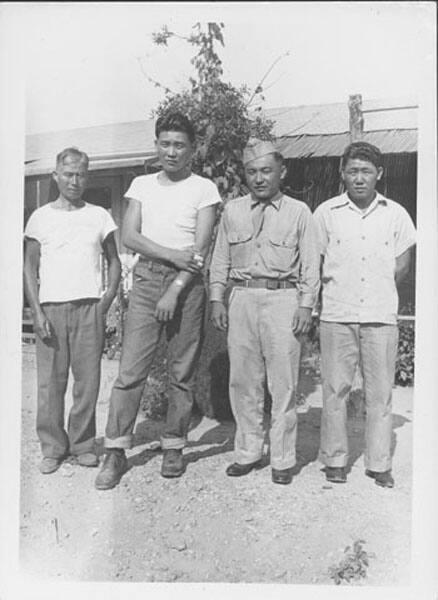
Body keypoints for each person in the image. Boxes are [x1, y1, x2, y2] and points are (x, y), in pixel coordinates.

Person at [95, 112, 222, 490]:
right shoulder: (140, 185)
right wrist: (171, 255)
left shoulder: (204, 189)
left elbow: (199, 249)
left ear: (192, 149)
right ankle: (115, 450)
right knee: (131, 371)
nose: (171, 151)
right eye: (165, 143)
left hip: (188, 286)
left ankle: (174, 445)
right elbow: (130, 238)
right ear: (156, 145)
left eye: (179, 145)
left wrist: (176, 287)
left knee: (181, 373)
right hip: (148, 278)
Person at [209, 138, 320, 485]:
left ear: (281, 172)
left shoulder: (299, 212)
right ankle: (248, 452)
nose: (259, 178)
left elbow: (311, 266)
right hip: (242, 298)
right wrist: (216, 298)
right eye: (252, 172)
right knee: (243, 380)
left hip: (283, 300)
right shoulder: (233, 210)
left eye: (266, 171)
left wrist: (306, 305)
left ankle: (283, 459)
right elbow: (220, 259)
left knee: (283, 382)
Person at [314, 141, 416, 488]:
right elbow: (317, 261)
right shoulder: (326, 213)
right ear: (342, 173)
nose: (359, 178)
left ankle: (379, 463)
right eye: (353, 171)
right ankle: (335, 460)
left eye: (366, 172)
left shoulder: (396, 214)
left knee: (380, 394)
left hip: (379, 316)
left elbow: (402, 265)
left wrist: (377, 290)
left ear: (379, 175)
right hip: (337, 314)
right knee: (334, 390)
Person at [23, 147, 121, 474]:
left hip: (88, 307)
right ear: (56, 176)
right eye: (68, 174)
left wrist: (106, 299)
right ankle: (52, 446)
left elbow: (114, 260)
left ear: (87, 177)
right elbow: (29, 266)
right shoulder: (40, 217)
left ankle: (82, 444)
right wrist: (36, 312)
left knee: (88, 382)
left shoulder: (99, 216)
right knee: (50, 383)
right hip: (51, 308)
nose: (74, 181)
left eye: (80, 174)